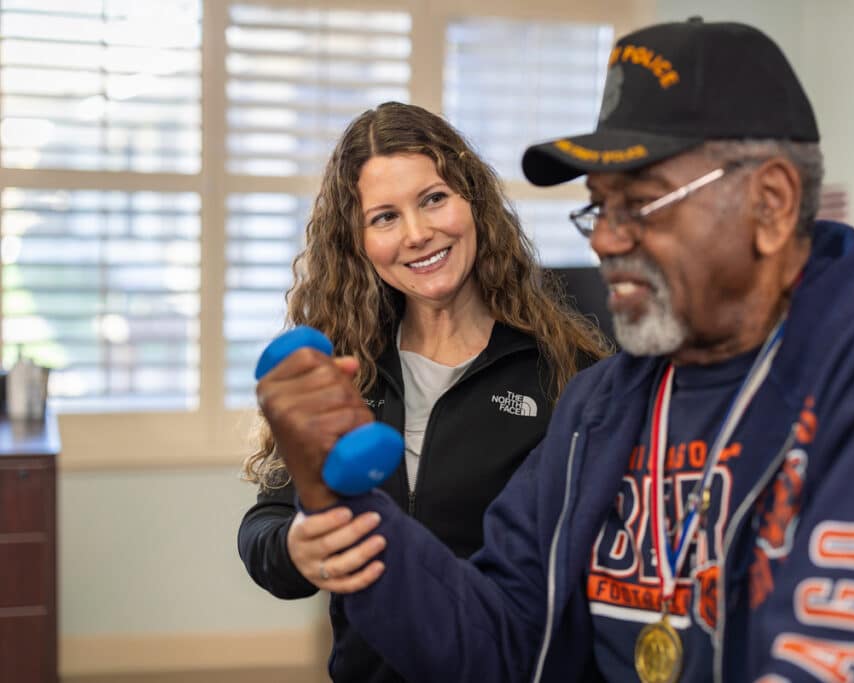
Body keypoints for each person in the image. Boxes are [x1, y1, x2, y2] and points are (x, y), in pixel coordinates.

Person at [260, 19, 854, 683]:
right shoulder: (605, 405)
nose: (608, 239)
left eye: (642, 201)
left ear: (772, 203)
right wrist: (339, 494)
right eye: (601, 206)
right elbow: (495, 640)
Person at [237, 101, 611, 683]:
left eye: (434, 199)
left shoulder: (567, 369)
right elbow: (264, 530)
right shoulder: (343, 369)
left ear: (473, 202)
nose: (417, 234)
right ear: (358, 241)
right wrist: (296, 548)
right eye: (385, 217)